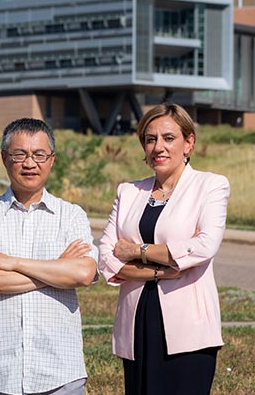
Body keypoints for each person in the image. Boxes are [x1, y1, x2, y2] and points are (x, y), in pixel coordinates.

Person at [98, 103, 229, 395]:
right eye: (150, 139)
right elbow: (106, 255)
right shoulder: (128, 191)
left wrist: (136, 250)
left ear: (188, 142)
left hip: (189, 329)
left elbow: (204, 246)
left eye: (169, 138)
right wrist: (159, 271)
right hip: (136, 323)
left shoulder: (210, 186)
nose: (158, 147)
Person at [0, 118, 98, 395]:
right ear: (4, 158)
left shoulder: (71, 216)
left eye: (39, 154)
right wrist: (58, 271)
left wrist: (11, 262)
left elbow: (83, 274)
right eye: (19, 154)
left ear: (51, 159)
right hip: (0, 375)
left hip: (61, 373)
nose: (29, 163)